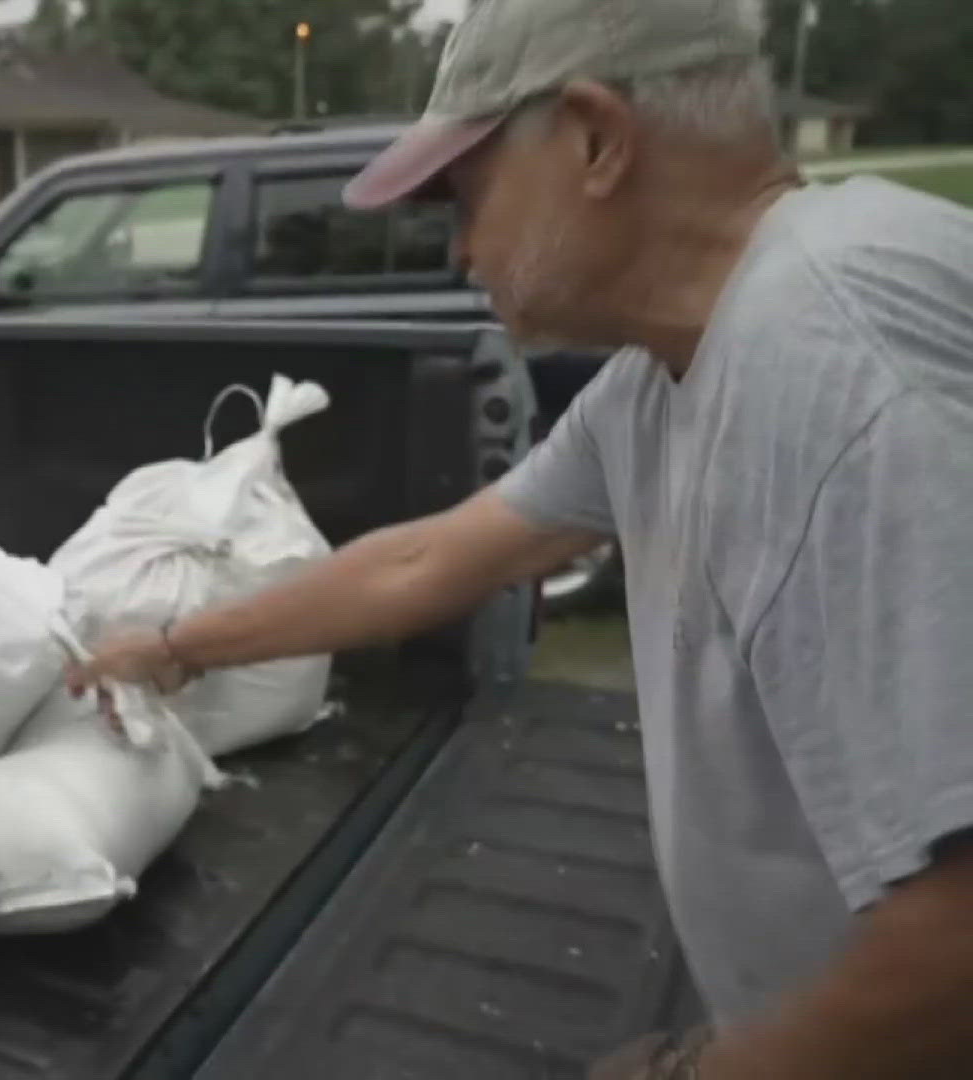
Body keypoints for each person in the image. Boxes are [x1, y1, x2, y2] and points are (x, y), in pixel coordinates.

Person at [68, 0, 973, 1076]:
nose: (458, 249)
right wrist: (176, 650)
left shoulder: (834, 360)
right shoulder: (670, 372)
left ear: (595, 142)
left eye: (467, 194)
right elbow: (430, 559)